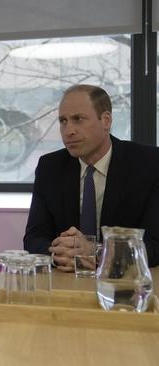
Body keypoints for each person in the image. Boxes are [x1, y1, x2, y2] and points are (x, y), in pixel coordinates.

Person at [24, 84, 159, 271]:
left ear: (106, 120)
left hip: (125, 283)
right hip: (66, 282)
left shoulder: (149, 165)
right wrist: (59, 254)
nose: (68, 130)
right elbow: (34, 238)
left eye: (78, 119)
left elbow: (155, 245)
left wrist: (97, 253)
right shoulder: (50, 167)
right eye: (63, 121)